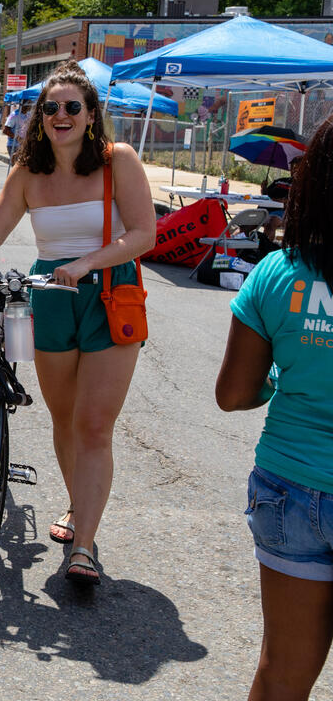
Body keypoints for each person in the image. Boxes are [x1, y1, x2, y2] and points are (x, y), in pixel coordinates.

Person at [0, 61, 155, 585]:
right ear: (39, 116)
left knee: (94, 425)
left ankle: (84, 544)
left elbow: (144, 232)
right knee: (64, 419)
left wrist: (85, 263)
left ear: (91, 114)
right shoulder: (28, 172)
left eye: (72, 107)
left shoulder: (117, 161)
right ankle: (80, 505)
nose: (60, 115)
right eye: (50, 107)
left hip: (108, 293)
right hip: (50, 298)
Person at [216, 113, 333, 701]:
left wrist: (282, 383)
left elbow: (234, 393)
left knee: (283, 672)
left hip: (291, 487)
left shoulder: (277, 274)